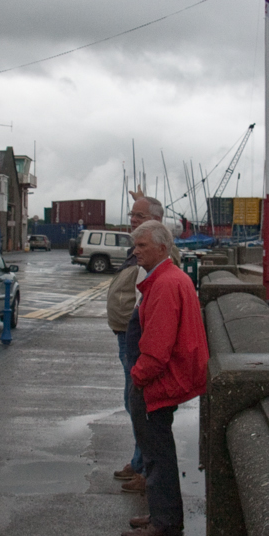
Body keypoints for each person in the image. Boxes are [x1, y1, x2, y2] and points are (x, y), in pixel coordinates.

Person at [122, 220, 209, 536]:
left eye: (142, 246)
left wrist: (137, 379)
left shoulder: (164, 285)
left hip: (158, 382)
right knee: (159, 451)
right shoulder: (172, 278)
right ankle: (163, 514)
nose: (136, 252)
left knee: (157, 454)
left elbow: (157, 350)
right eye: (136, 246)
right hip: (168, 379)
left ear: (161, 247)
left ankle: (165, 524)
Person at [106, 191, 165, 493]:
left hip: (138, 341)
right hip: (127, 337)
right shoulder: (141, 250)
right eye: (132, 215)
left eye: (139, 216)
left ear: (155, 221)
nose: (132, 220)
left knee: (140, 405)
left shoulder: (159, 254)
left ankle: (144, 468)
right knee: (133, 402)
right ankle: (139, 462)